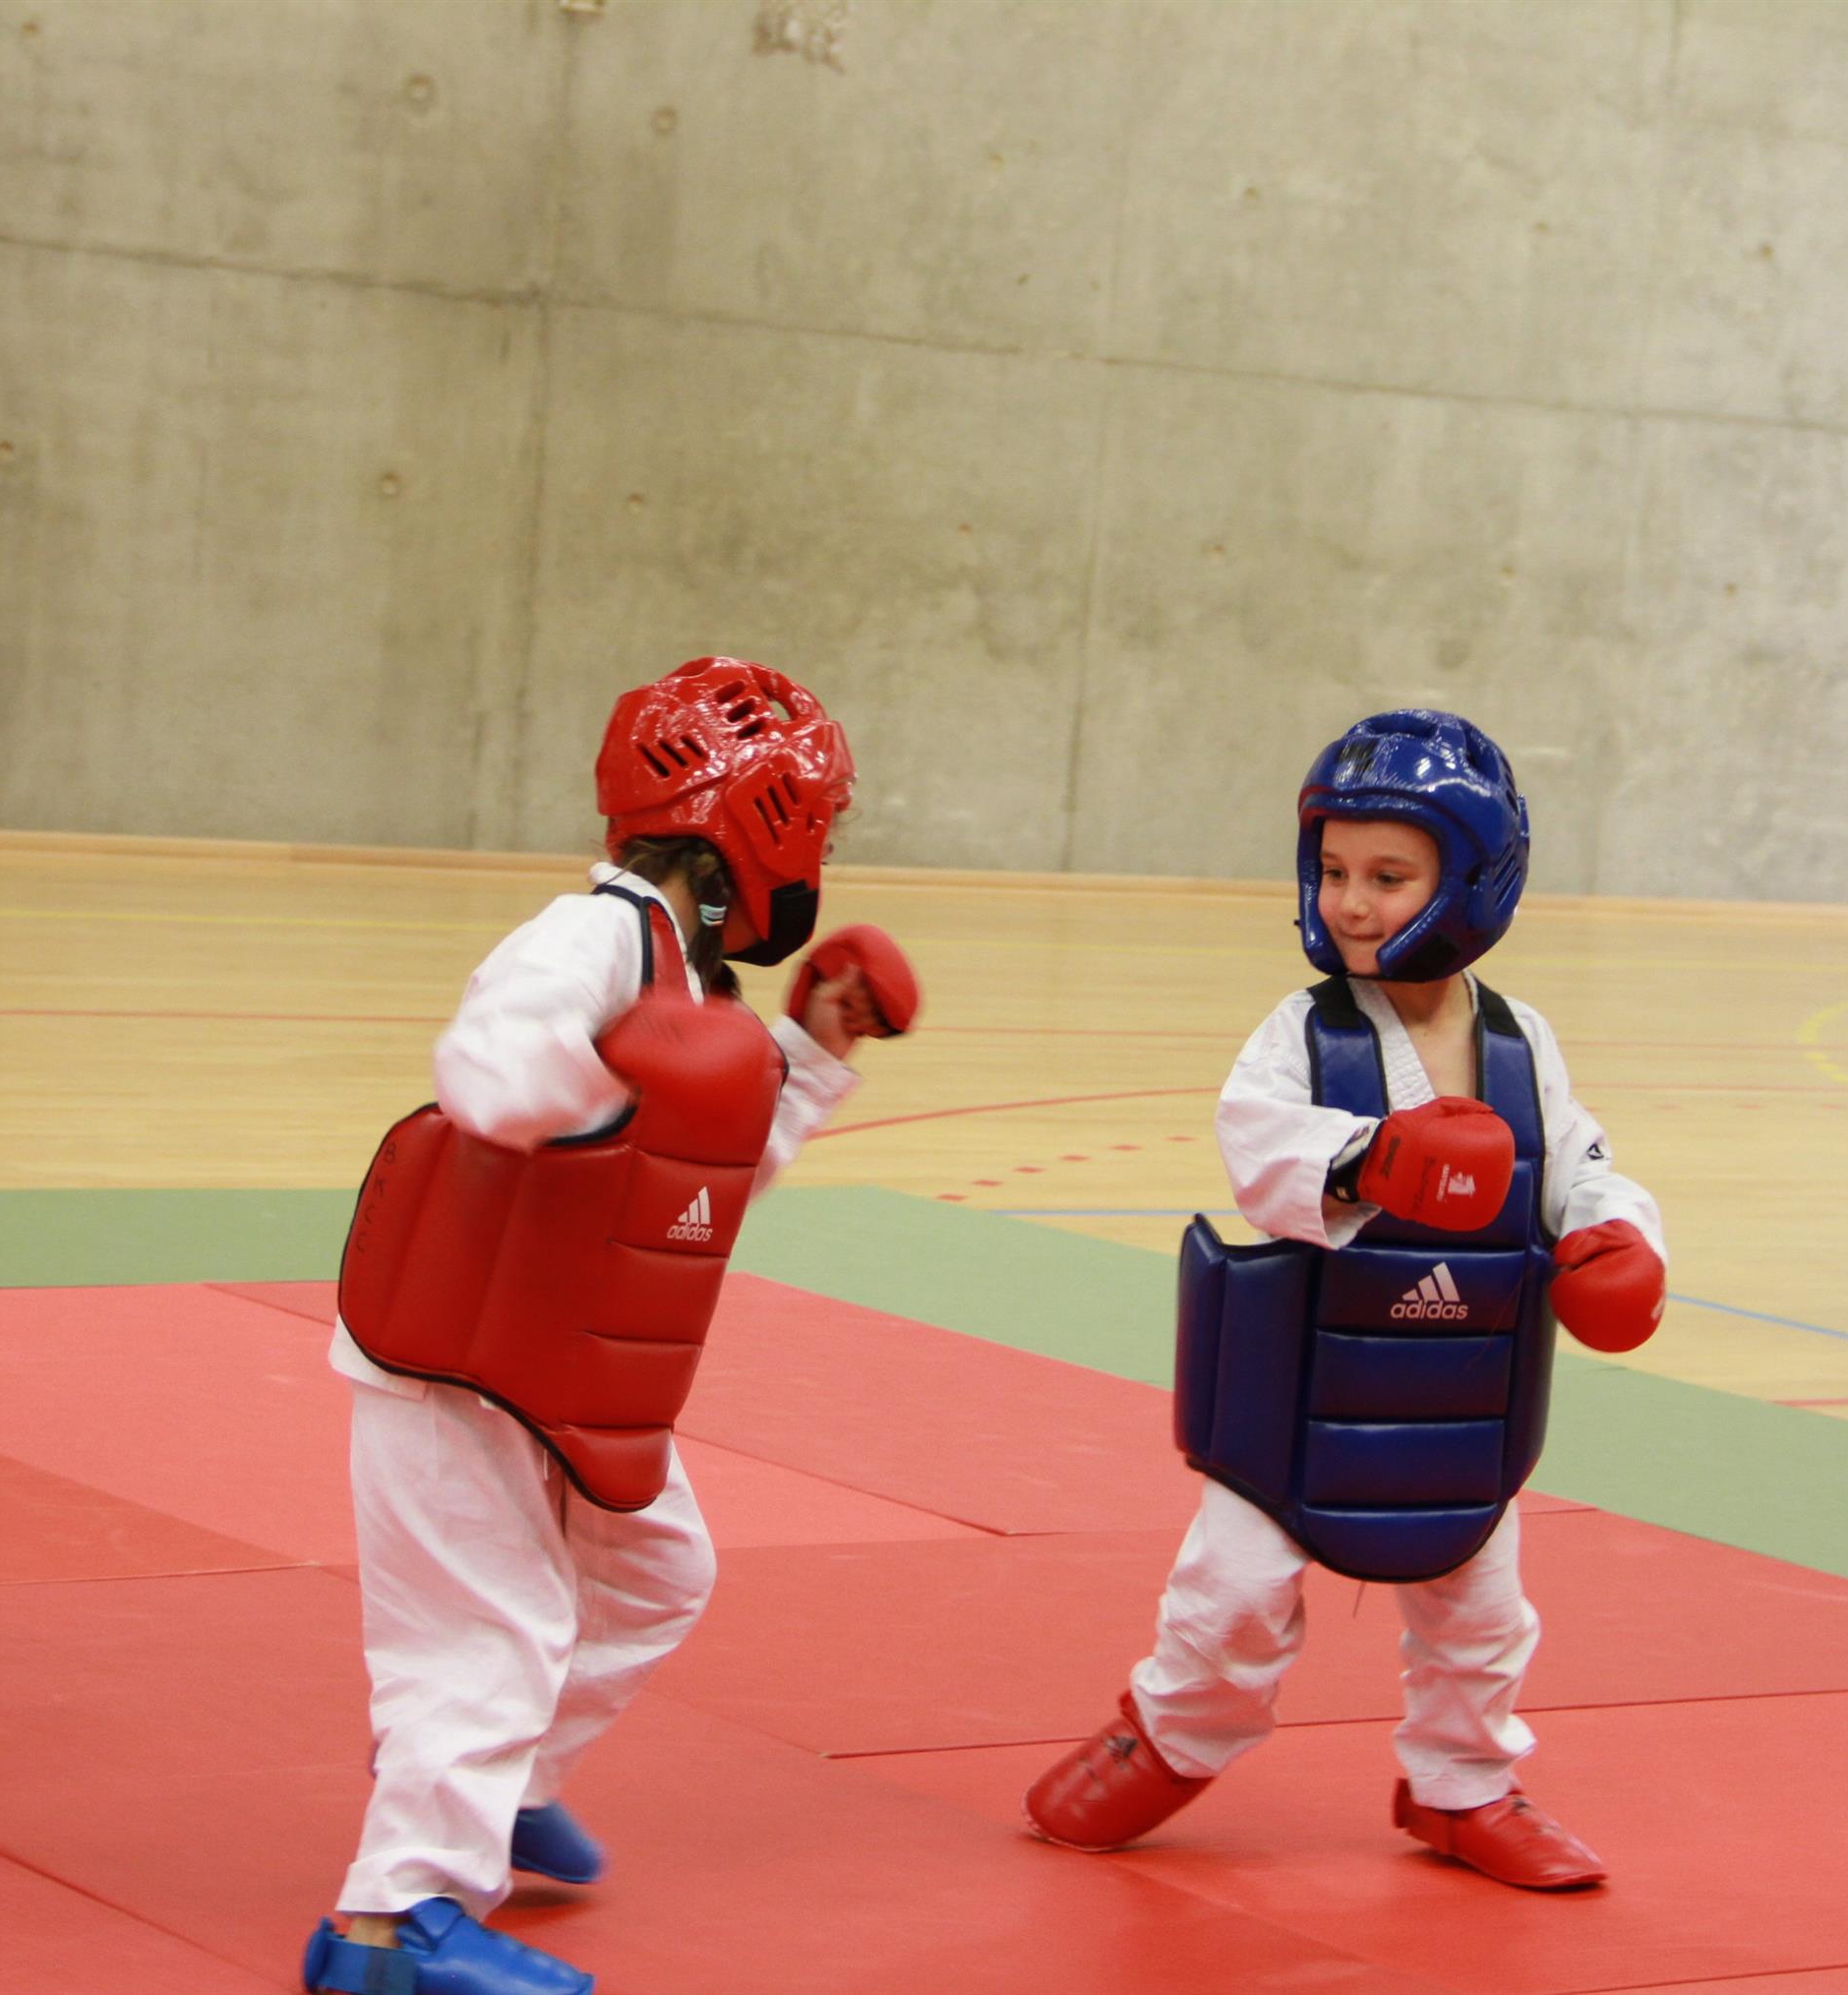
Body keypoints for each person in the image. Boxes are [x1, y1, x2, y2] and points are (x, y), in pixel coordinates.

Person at [303, 659, 917, 1995]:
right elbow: (484, 1073)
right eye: (818, 825)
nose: (821, 857)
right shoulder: (590, 941)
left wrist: (810, 1056)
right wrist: (609, 1073)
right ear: (758, 825)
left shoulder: (696, 990)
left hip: (558, 1363)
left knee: (656, 1573)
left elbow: (698, 1178)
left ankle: (502, 1780)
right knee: (489, 1633)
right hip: (456, 1366)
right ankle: (388, 1926)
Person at [1025, 709, 1666, 1891]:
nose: (1351, 904)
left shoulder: (1521, 1044)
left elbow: (1577, 1162)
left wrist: (1617, 1236)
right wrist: (1367, 1159)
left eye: (1387, 876)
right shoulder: (1304, 1035)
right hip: (1296, 1392)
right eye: (1332, 871)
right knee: (1230, 1597)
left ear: (1471, 882)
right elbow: (1254, 1144)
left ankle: (1462, 1787)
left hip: (1461, 1396)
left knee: (1482, 1612)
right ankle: (1168, 1738)